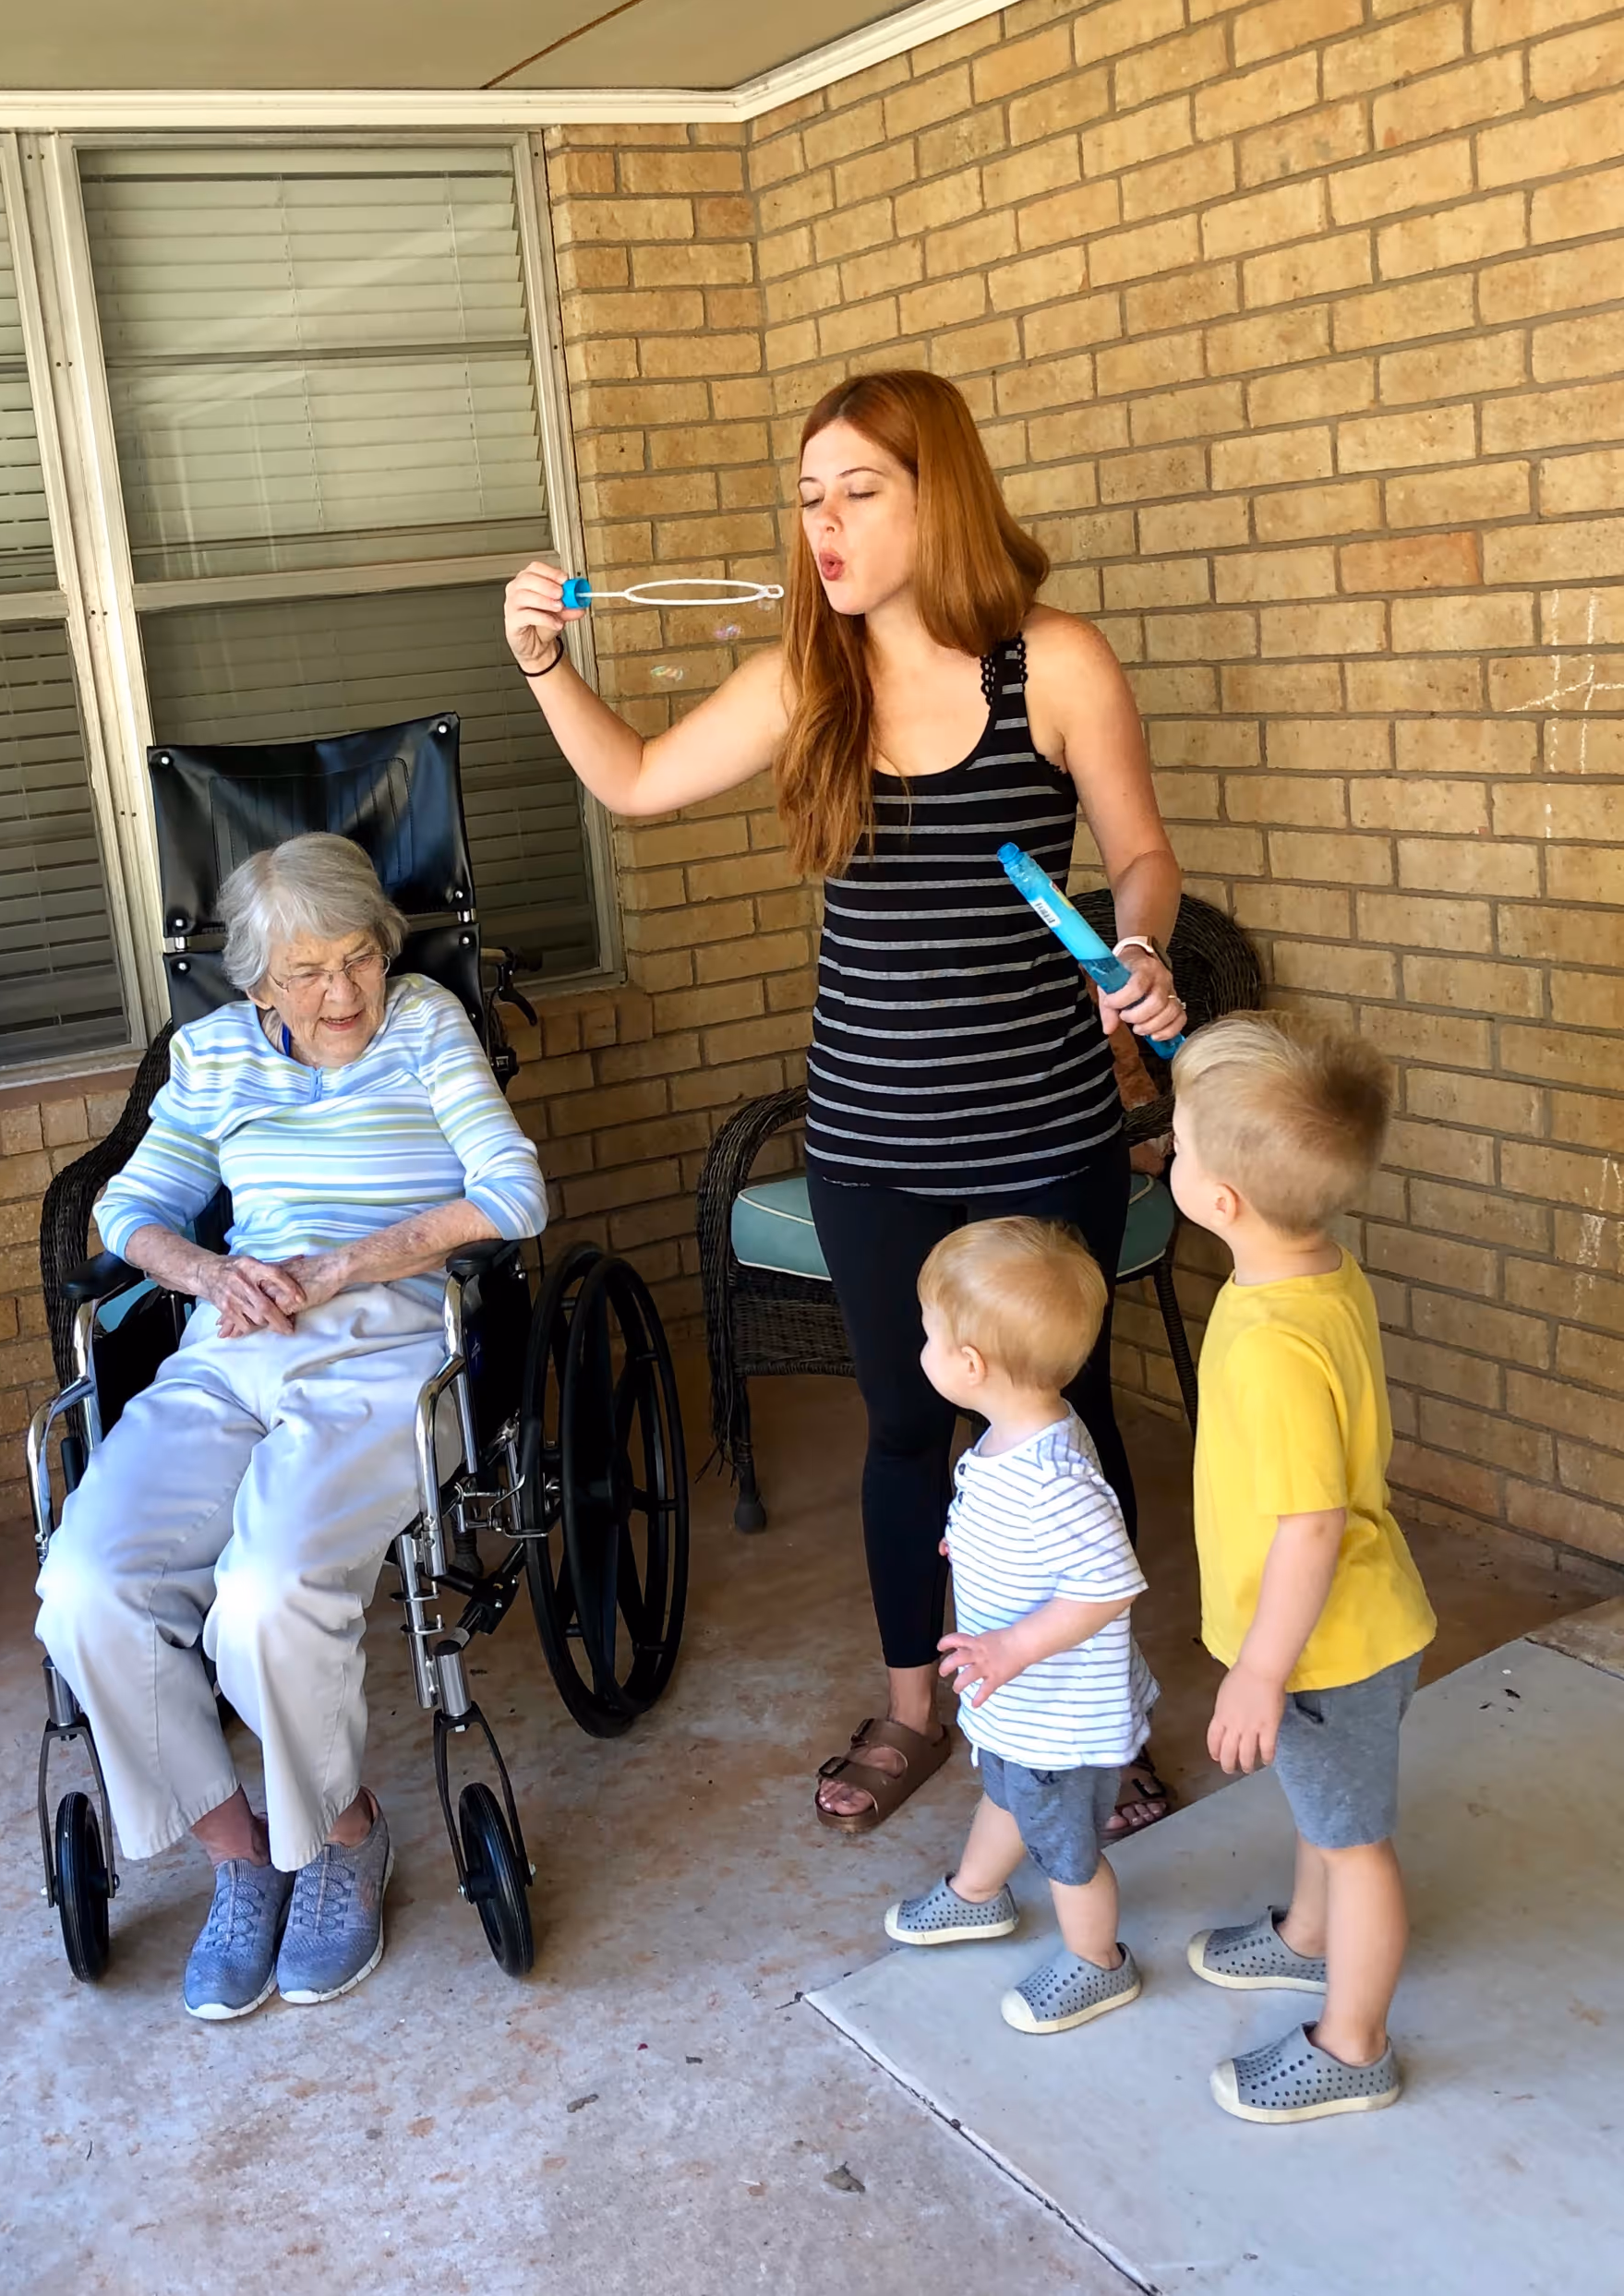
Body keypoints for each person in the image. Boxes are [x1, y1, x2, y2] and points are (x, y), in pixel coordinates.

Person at [504, 368, 1184, 1838]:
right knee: (900, 1429)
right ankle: (915, 1704)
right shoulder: (806, 678)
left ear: (940, 494)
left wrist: (1136, 941)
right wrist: (549, 665)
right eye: (808, 494)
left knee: (1063, 1418)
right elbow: (630, 782)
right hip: (870, 1135)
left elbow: (1142, 855)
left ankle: (1101, 1710)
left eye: (858, 489)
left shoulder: (1052, 662)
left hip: (1042, 1125)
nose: (824, 521)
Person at [35, 833, 547, 2021]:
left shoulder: (424, 1025)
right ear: (256, 985)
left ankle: (340, 1838)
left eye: (359, 957)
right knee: (85, 1586)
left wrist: (343, 1266)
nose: (341, 995)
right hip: (229, 1346)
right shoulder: (210, 1057)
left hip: (384, 1349)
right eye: (306, 974)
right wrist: (209, 1274)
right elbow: (127, 1210)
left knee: (265, 1591)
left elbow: (513, 1192)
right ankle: (236, 1853)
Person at [1167, 1013, 1437, 2123]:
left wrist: (1259, 1671)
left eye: (1178, 1147)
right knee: (1326, 1812)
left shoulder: (1276, 1341)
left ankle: (1353, 2043)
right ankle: (1307, 1936)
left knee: (1356, 1842)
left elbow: (1309, 1526)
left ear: (1224, 1201)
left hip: (1326, 1645)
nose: (1168, 1157)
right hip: (1346, 1631)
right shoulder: (1318, 1268)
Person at [882, 1220, 1156, 2034]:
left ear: (971, 1365)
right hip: (1019, 1704)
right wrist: (971, 1543)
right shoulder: (1015, 1435)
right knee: (1005, 1790)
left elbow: (1109, 1587)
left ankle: (1098, 1962)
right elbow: (1036, 1551)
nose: (921, 1347)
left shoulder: (1056, 1477)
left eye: (928, 1334)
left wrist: (1010, 1646)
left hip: (1059, 1711)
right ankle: (974, 1894)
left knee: (1067, 1853)